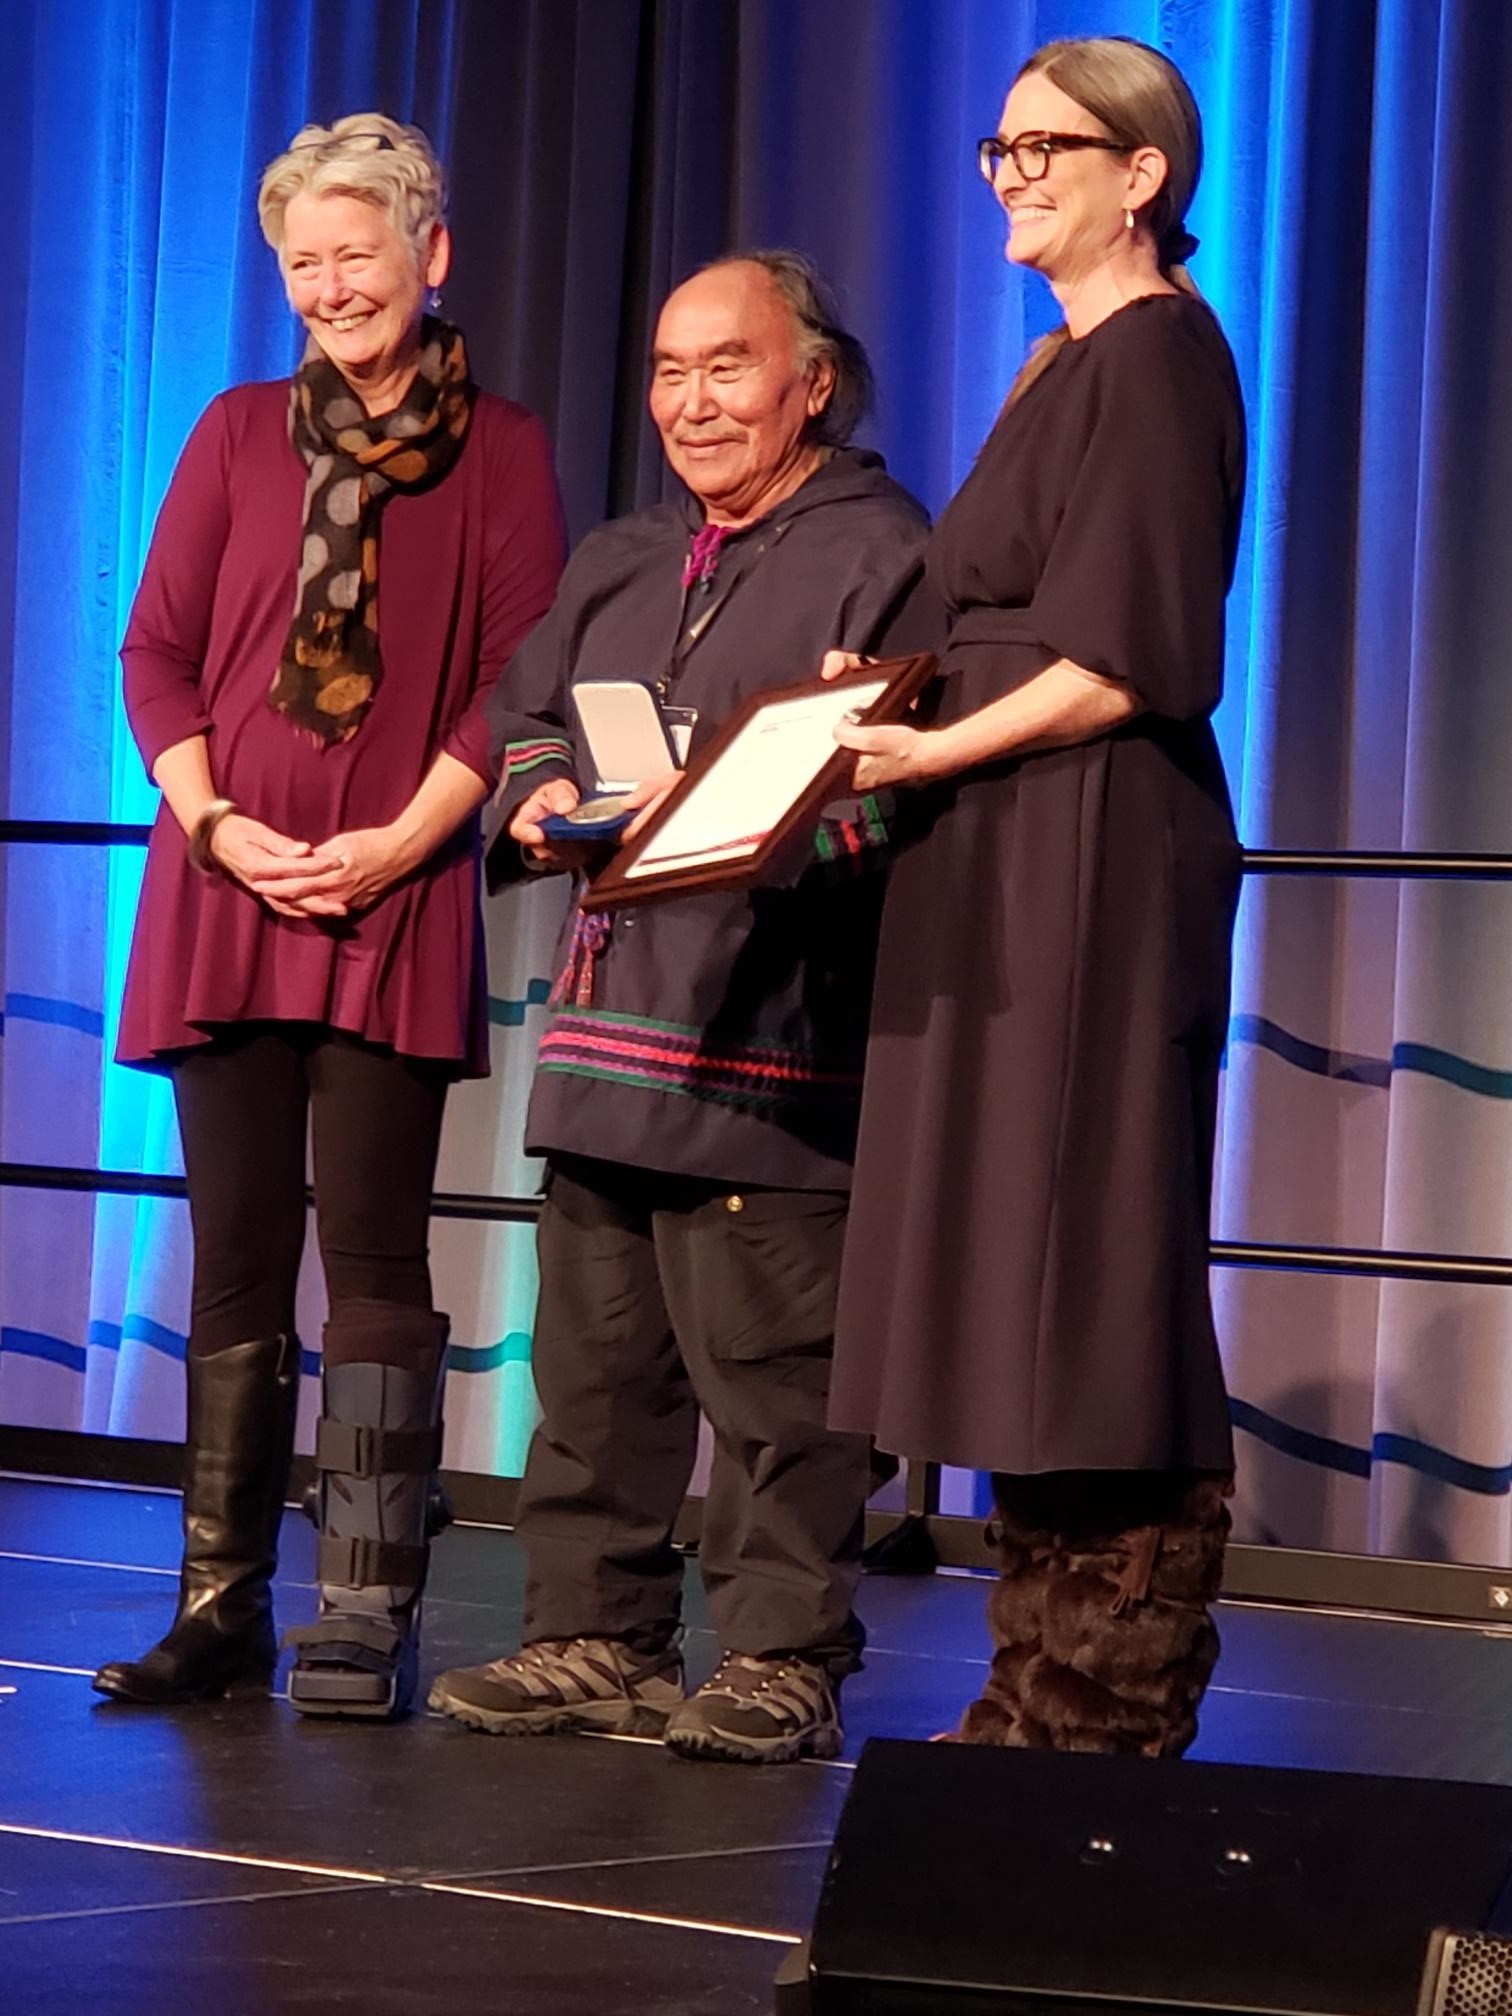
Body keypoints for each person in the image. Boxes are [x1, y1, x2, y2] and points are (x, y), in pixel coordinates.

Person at [92, 115, 567, 1719]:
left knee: (372, 1251)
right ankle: (217, 1605)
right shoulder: (236, 432)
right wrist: (216, 821)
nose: (330, 287)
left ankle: (363, 1611)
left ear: (432, 256)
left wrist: (399, 845)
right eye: (303, 263)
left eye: (356, 254)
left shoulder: (504, 449)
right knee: (235, 1251)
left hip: (393, 896)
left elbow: (520, 677)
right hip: (223, 890)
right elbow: (156, 653)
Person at [428, 251, 927, 1763]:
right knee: (593, 1368)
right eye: (668, 371)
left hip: (772, 1032)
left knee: (777, 1380)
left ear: (811, 385)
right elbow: (527, 719)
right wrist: (539, 802)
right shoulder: (624, 555)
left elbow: (914, 780)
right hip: (607, 1028)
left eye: (727, 368)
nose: (692, 403)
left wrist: (788, 820)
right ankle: (593, 1634)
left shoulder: (886, 551)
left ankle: (782, 1655)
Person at [826, 36, 1246, 1757]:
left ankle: (1104, 1696)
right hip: (1000, 839)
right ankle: (1033, 1679)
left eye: (1045, 147)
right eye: (997, 148)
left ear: (1141, 174)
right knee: (1013, 1250)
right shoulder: (1060, 362)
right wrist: (894, 690)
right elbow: (1006, 617)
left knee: (1088, 1246)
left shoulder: (1156, 357)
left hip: (1089, 843)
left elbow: (1129, 655)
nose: (1011, 174)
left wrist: (935, 746)